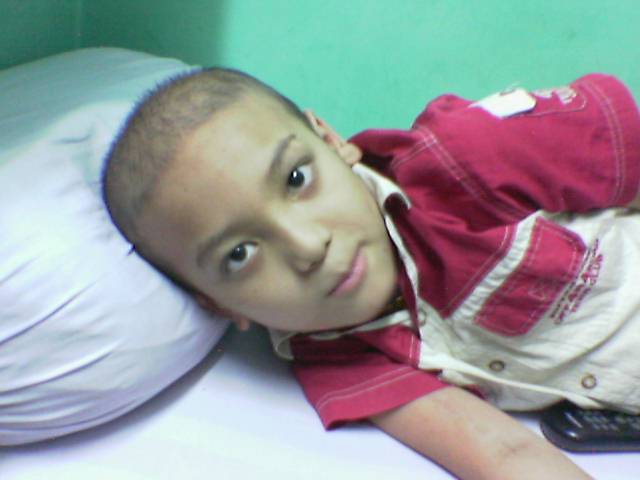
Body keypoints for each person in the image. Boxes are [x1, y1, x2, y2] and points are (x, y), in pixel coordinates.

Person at [103, 67, 640, 479]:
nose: (308, 246)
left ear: (330, 140)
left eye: (295, 179)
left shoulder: (465, 155)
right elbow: (504, 453)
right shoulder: (338, 356)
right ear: (219, 305)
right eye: (239, 254)